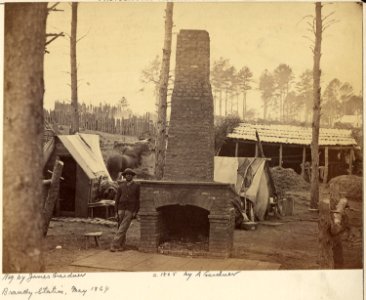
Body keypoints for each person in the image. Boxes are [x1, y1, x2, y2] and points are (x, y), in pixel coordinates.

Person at [110, 168, 140, 252]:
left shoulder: (136, 186)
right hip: (120, 209)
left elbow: (138, 200)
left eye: (130, 174)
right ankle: (121, 245)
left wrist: (135, 211)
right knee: (120, 227)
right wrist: (116, 212)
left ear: (132, 176)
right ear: (125, 176)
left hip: (130, 210)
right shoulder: (121, 186)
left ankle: (114, 244)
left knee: (123, 227)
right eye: (127, 174)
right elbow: (116, 200)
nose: (128, 175)